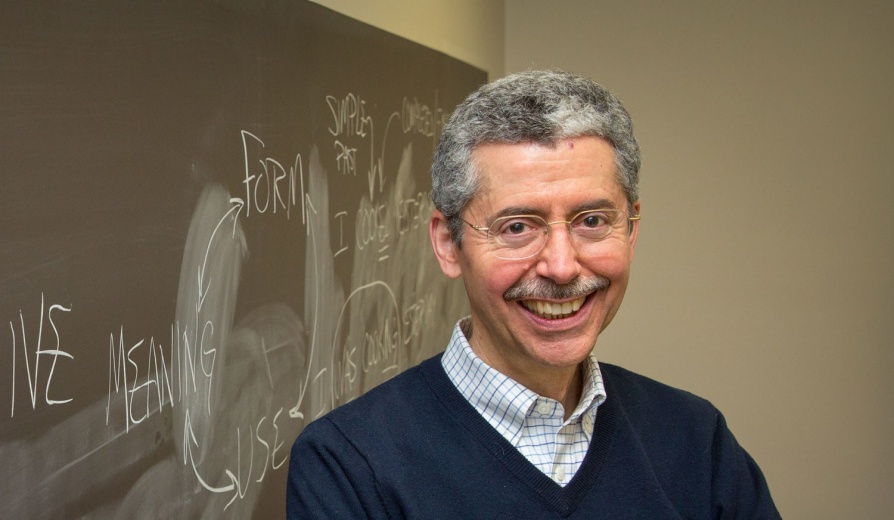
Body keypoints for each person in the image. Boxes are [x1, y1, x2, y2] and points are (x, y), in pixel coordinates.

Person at [287, 70, 780, 519]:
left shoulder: (696, 441)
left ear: (630, 231)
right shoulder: (348, 466)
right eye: (518, 227)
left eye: (592, 221)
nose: (562, 267)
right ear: (448, 244)